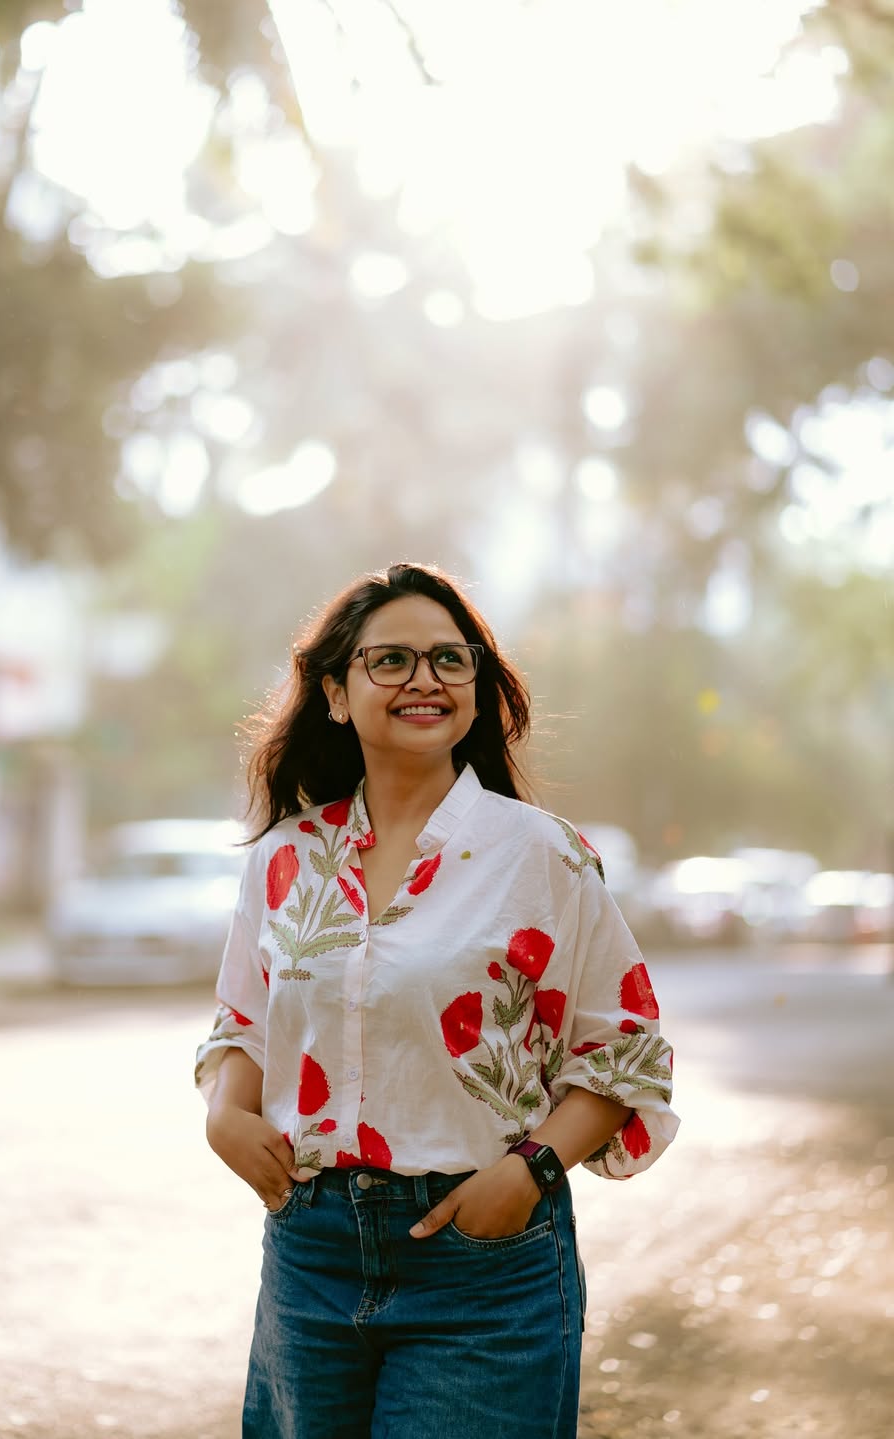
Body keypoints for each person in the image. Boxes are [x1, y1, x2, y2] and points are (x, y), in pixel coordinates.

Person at [195, 561, 679, 1439]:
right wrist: (225, 1114)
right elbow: (243, 1021)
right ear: (337, 692)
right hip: (311, 1253)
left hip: (481, 1257)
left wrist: (526, 1175)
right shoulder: (286, 858)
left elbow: (626, 1050)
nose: (425, 679)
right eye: (392, 660)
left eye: (450, 660)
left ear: (477, 688)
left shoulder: (541, 855)